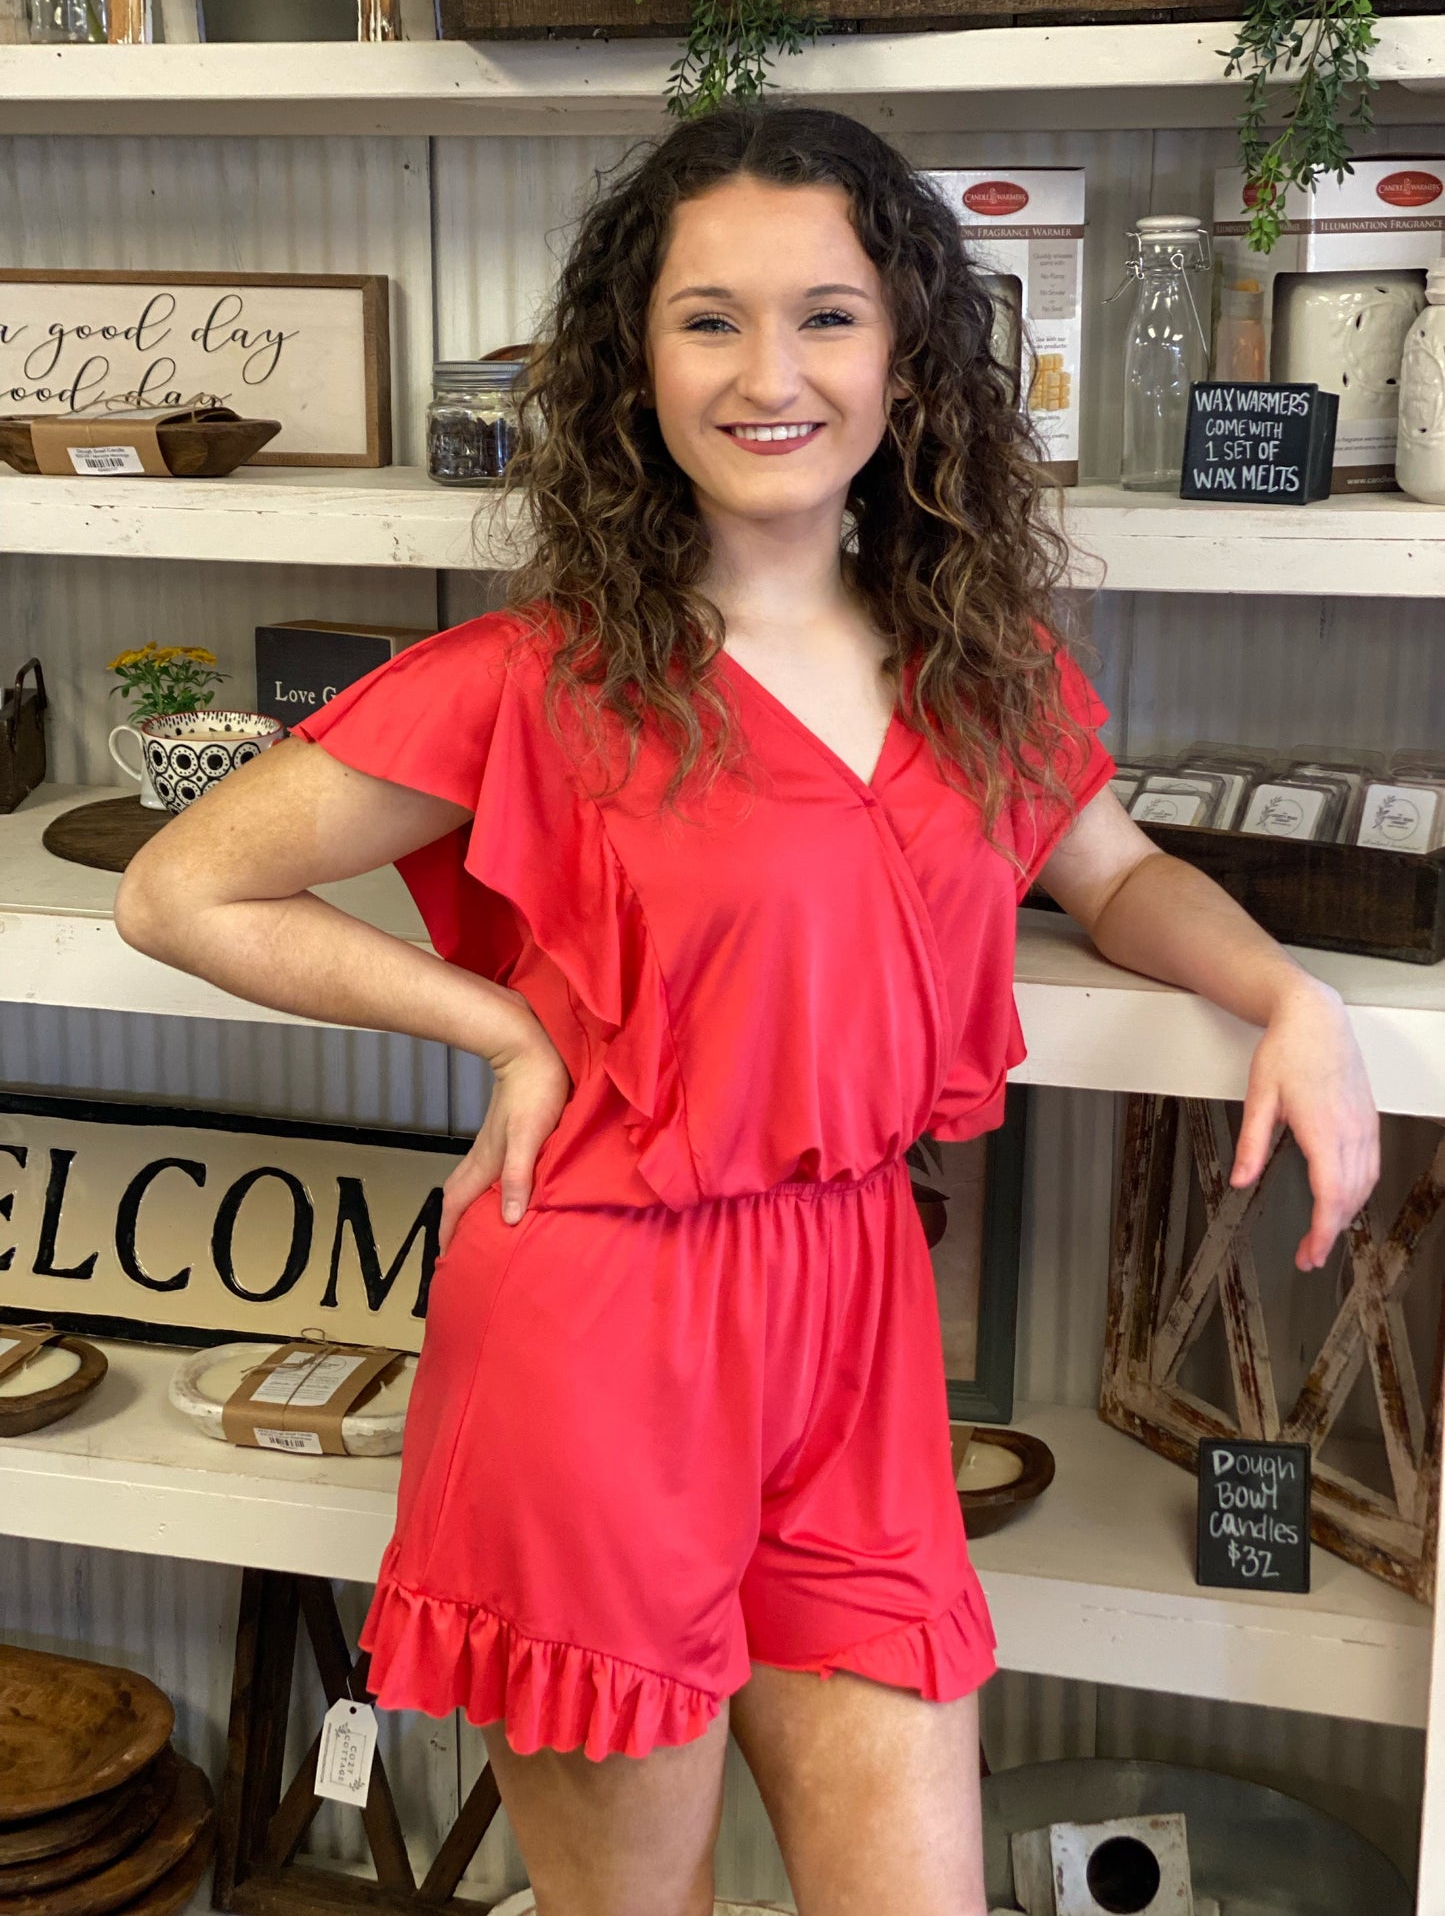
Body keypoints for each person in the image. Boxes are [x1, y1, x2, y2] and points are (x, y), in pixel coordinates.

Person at [115, 104, 1379, 1916]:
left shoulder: (980, 666)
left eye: (827, 315)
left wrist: (1282, 989)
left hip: (856, 1320)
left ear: (910, 352)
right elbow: (185, 887)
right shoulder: (531, 675)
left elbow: (1108, 874)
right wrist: (503, 1032)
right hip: (598, 1328)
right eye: (707, 318)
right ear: (634, 364)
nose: (767, 372)